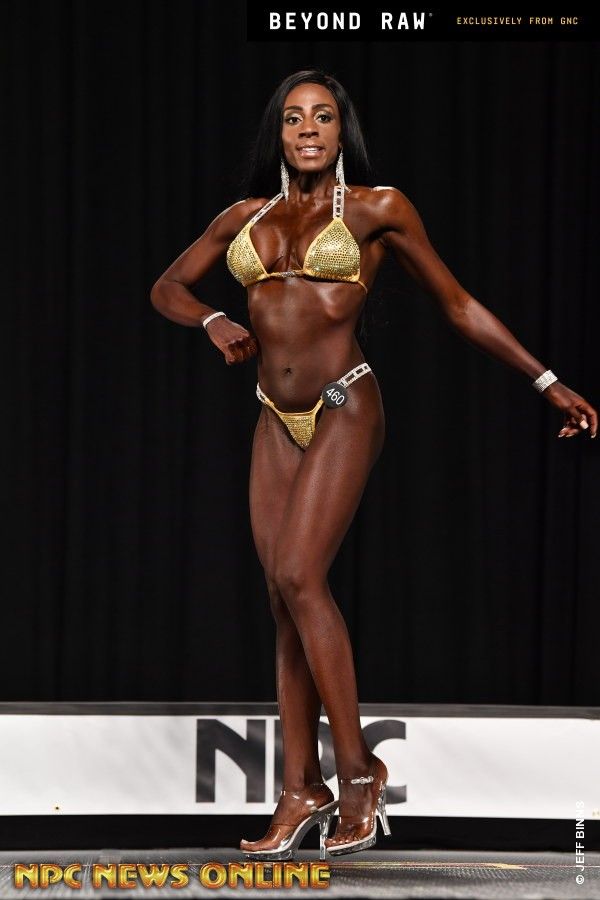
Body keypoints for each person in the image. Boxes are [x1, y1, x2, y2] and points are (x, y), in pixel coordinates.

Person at [150, 69, 597, 860]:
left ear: (340, 129)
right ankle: (299, 788)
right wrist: (213, 317)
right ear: (278, 132)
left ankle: (358, 773)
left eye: (322, 116)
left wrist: (546, 380)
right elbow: (166, 286)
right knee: (281, 598)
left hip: (343, 401)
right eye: (294, 118)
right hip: (273, 412)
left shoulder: (376, 208)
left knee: (300, 575)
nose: (308, 129)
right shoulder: (245, 217)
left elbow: (457, 303)